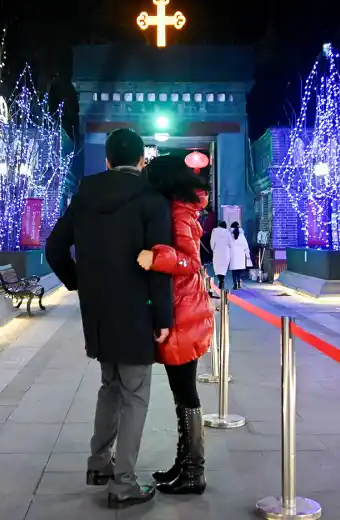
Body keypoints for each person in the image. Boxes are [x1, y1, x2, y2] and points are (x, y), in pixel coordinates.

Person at [45, 128, 174, 510]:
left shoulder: (85, 194)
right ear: (141, 161)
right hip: (136, 309)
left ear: (106, 161)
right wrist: (163, 315)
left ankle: (99, 463)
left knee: (110, 386)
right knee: (135, 394)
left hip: (98, 310)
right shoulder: (152, 199)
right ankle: (124, 483)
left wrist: (79, 282)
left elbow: (54, 248)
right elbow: (159, 262)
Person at [135, 154, 213, 495]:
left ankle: (194, 472)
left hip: (183, 312)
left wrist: (157, 258)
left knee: (185, 393)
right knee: (182, 394)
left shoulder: (179, 212)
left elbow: (190, 261)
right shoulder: (181, 208)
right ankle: (184, 466)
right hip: (185, 307)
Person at [228, 221, 252, 289]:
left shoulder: (229, 236)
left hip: (233, 255)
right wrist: (248, 255)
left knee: (234, 272)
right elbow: (246, 246)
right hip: (241, 256)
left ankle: (235, 285)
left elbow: (227, 246)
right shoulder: (242, 236)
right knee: (238, 271)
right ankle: (239, 283)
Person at [209, 220, 232, 290]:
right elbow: (231, 243)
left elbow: (212, 244)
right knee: (223, 269)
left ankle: (220, 280)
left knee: (217, 268)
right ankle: (222, 280)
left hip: (217, 253)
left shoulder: (214, 232)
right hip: (226, 253)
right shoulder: (228, 233)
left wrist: (213, 248)